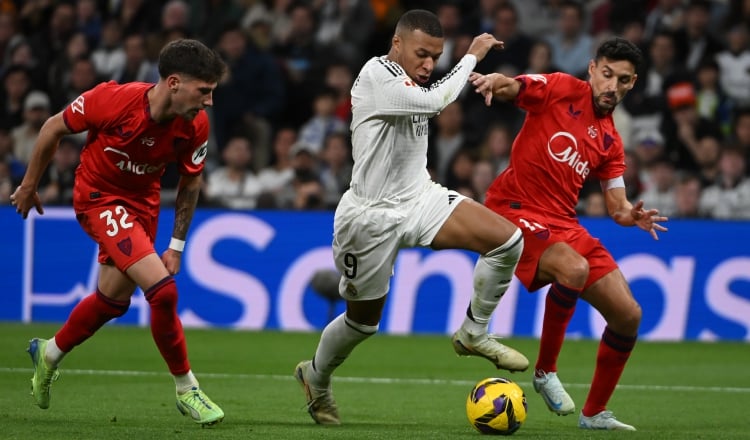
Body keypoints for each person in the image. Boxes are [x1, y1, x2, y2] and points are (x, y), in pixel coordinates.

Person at [294, 9, 528, 426]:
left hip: (420, 197)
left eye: (435, 57)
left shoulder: (411, 77)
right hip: (369, 216)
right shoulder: (375, 75)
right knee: (362, 323)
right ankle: (316, 376)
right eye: (421, 54)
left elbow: (431, 93)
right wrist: (470, 56)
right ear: (397, 44)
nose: (428, 65)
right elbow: (435, 101)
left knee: (508, 240)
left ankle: (474, 332)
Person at [9, 39, 227, 427]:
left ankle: (49, 353)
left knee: (112, 301)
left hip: (143, 204)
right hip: (98, 198)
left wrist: (176, 246)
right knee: (163, 291)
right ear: (174, 83)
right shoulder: (111, 100)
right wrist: (29, 185)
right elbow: (51, 127)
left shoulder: (195, 125)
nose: (208, 102)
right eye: (204, 91)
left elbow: (191, 184)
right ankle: (186, 388)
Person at [470, 37, 668, 431]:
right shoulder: (561, 88)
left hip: (563, 223)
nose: (612, 86)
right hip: (516, 209)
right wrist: (496, 80)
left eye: (623, 80)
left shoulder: (611, 141)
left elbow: (616, 206)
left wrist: (632, 216)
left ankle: (594, 413)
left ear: (632, 84)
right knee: (573, 270)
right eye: (607, 74)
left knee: (629, 315)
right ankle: (545, 371)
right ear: (593, 69)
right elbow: (518, 88)